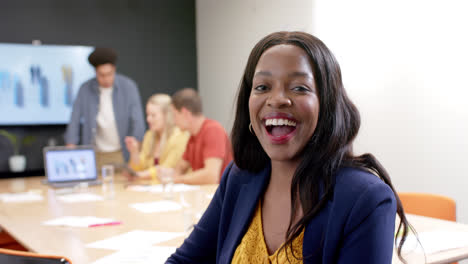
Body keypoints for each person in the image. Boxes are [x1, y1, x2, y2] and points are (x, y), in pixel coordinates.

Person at [166, 31, 410, 263]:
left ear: (326, 104)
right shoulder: (239, 178)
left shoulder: (365, 199)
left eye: (299, 87)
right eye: (262, 87)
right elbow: (186, 260)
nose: (277, 99)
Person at [64, 47, 145, 170]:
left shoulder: (128, 87)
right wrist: (71, 148)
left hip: (121, 153)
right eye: (101, 75)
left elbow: (138, 120)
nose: (106, 79)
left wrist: (135, 150)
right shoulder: (85, 89)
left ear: (114, 69)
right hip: (94, 153)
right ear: (95, 72)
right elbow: (74, 119)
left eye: (109, 74)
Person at [170, 88, 232, 185]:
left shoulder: (213, 130)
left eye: (175, 115)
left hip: (221, 195)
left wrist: (179, 179)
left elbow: (211, 176)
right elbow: (180, 168)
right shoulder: (192, 137)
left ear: (185, 113)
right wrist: (175, 176)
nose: (174, 121)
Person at [124, 94, 189, 183]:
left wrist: (139, 175)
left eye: (153, 115)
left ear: (167, 115)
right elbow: (140, 167)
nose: (148, 119)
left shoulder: (180, 136)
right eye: (147, 115)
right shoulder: (149, 135)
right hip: (151, 188)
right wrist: (134, 151)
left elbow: (167, 169)